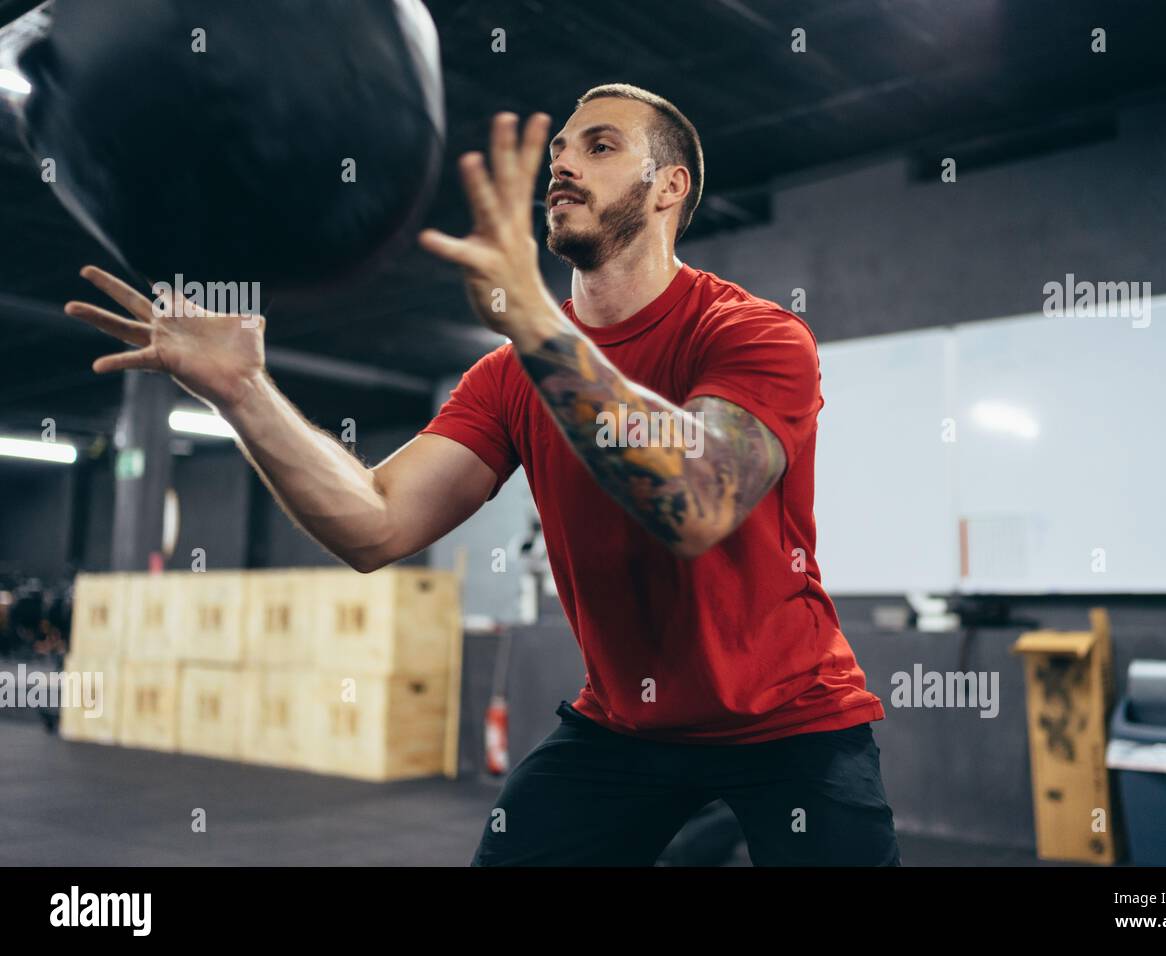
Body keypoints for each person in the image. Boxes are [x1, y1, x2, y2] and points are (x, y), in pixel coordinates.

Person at [65, 83, 900, 866]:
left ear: (667, 187)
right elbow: (375, 523)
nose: (563, 165)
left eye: (599, 146)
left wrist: (532, 317)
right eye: (560, 151)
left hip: (791, 722)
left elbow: (696, 501)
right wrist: (246, 395)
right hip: (624, 726)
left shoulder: (753, 335)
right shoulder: (506, 378)